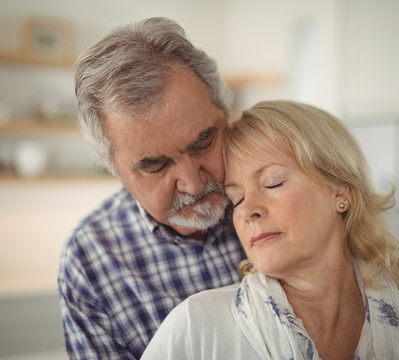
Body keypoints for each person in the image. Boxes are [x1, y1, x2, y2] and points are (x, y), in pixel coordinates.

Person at [141, 100, 399, 359]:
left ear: (340, 190)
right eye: (236, 199)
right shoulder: (196, 329)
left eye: (273, 182)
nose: (249, 210)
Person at [57, 17, 246, 359]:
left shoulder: (283, 196)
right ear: (114, 169)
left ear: (226, 114)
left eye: (204, 141)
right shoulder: (91, 261)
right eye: (155, 165)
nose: (193, 182)